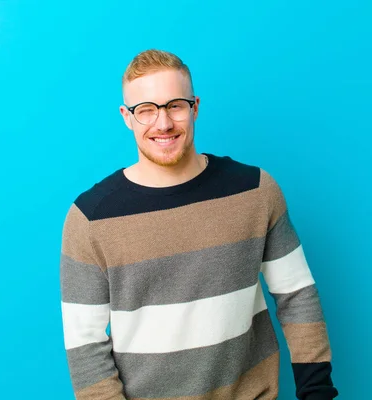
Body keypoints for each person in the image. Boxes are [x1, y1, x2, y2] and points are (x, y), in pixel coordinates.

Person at [59, 49, 338, 400]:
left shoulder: (255, 190)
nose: (163, 124)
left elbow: (297, 294)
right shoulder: (90, 218)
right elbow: (85, 343)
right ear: (126, 117)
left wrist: (317, 392)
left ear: (195, 107)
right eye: (145, 110)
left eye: (175, 105)